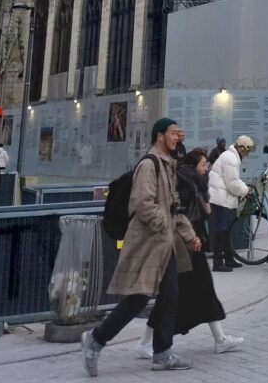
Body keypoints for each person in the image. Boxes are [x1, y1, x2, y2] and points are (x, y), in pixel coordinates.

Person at [81, 117, 201, 376]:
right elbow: (143, 204)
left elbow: (173, 207)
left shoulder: (168, 165)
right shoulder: (149, 165)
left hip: (163, 244)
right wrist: (164, 225)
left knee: (170, 295)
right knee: (138, 299)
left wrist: (188, 235)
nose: (177, 137)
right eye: (172, 132)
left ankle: (162, 353)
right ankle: (95, 339)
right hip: (149, 244)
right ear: (159, 136)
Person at [135, 147, 243, 359]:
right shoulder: (187, 184)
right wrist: (192, 233)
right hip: (187, 247)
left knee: (198, 292)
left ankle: (220, 339)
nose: (206, 168)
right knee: (177, 296)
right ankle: (144, 343)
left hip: (191, 244)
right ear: (193, 166)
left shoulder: (191, 181)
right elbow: (184, 214)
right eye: (203, 165)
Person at [208, 134, 255, 273]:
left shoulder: (231, 157)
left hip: (225, 198)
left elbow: (232, 180)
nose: (247, 154)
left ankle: (228, 258)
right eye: (247, 151)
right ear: (241, 148)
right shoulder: (230, 158)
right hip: (221, 199)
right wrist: (246, 190)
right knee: (221, 230)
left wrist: (243, 187)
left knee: (227, 230)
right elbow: (232, 182)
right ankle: (217, 262)